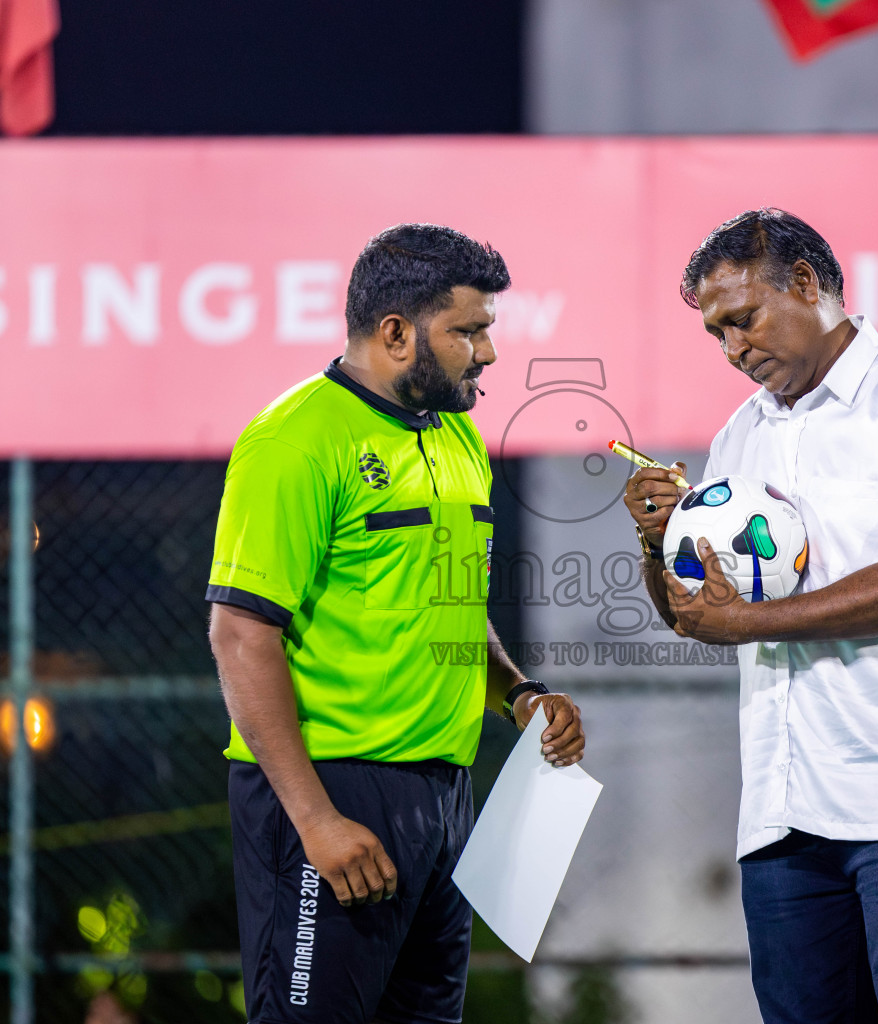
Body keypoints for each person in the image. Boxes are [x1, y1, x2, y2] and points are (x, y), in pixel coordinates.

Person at [207, 223, 586, 1024]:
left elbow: (457, 611)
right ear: (395, 333)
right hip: (331, 792)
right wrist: (315, 820)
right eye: (467, 332)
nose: (485, 354)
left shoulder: (459, 439)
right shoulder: (293, 441)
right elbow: (241, 634)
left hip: (445, 798)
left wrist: (519, 697)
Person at [625, 209, 878, 1023]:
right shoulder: (739, 438)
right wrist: (660, 545)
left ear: (804, 284)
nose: (733, 349)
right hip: (780, 813)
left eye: (743, 319)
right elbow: (697, 616)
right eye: (716, 334)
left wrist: (748, 622)